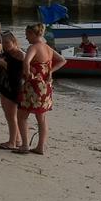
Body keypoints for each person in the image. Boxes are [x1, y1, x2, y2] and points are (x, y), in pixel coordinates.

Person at [15, 23, 66, 155]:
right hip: (45, 86)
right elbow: (62, 60)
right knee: (41, 117)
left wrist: (27, 74)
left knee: (21, 115)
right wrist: (50, 72)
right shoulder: (47, 48)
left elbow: (26, 61)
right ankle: (40, 147)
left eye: (27, 35)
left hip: (33, 86)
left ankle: (25, 145)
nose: (26, 38)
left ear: (33, 34)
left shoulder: (34, 47)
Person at [0, 31, 25, 150]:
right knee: (8, 114)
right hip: (4, 85)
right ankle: (16, 139)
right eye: (3, 43)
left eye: (7, 42)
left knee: (12, 115)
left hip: (15, 87)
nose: (5, 45)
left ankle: (12, 142)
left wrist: (4, 64)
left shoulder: (21, 55)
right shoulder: (5, 53)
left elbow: (19, 74)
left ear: (14, 41)